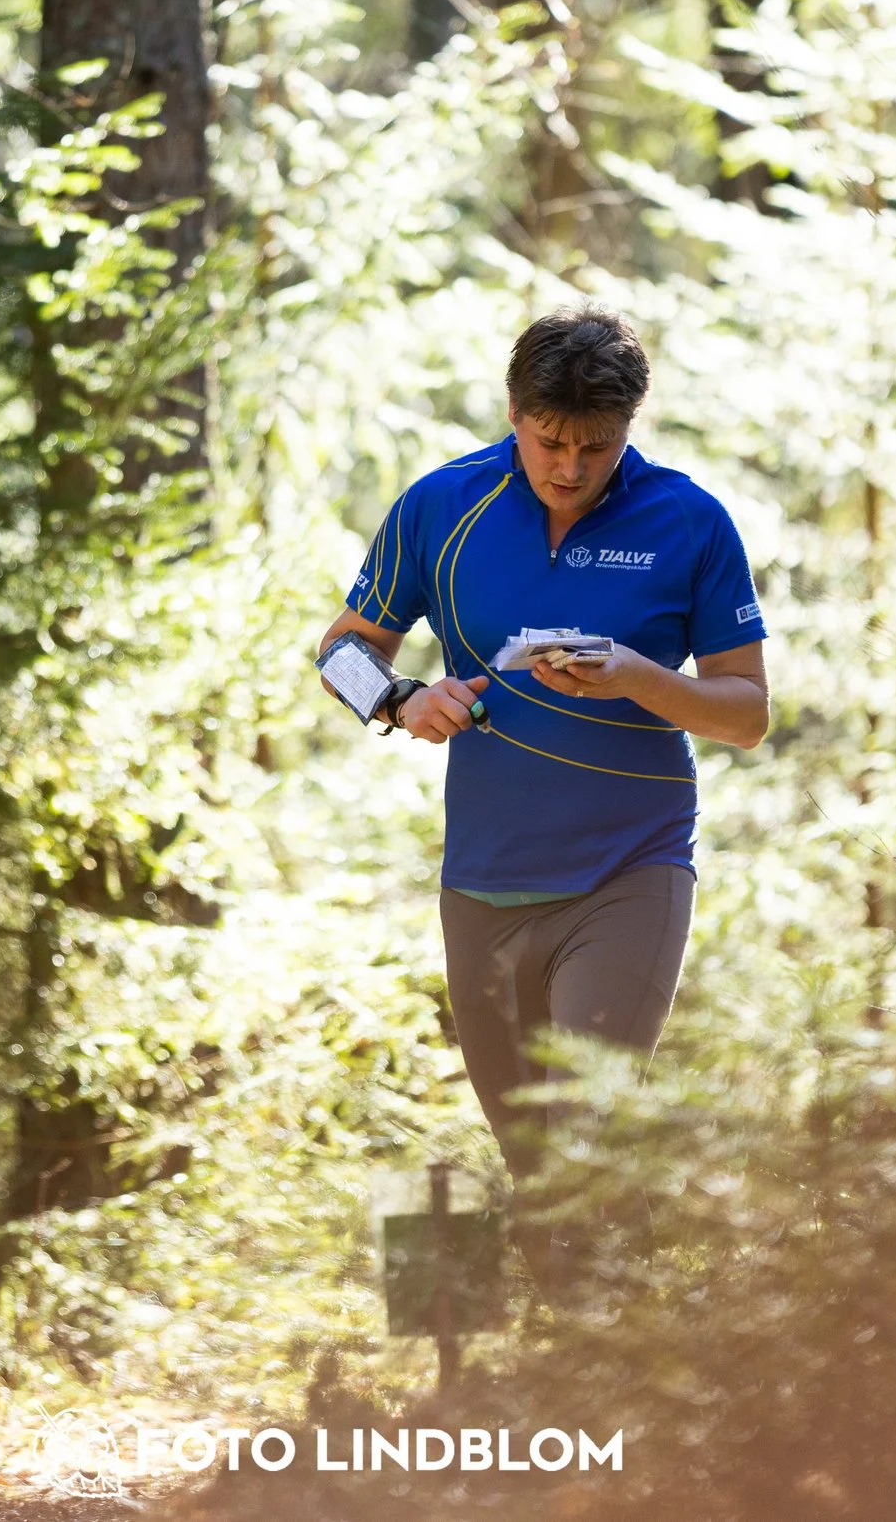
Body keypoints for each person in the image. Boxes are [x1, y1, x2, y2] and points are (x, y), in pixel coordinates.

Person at [315, 305, 770, 1296]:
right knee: (538, 1161)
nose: (569, 467)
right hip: (483, 879)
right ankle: (578, 1357)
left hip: (630, 868)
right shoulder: (442, 505)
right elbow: (341, 651)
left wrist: (638, 675)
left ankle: (623, 1377)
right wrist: (400, 699)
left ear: (628, 428)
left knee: (588, 1128)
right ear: (514, 413)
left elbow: (745, 714)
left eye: (595, 447)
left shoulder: (689, 521)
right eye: (549, 441)